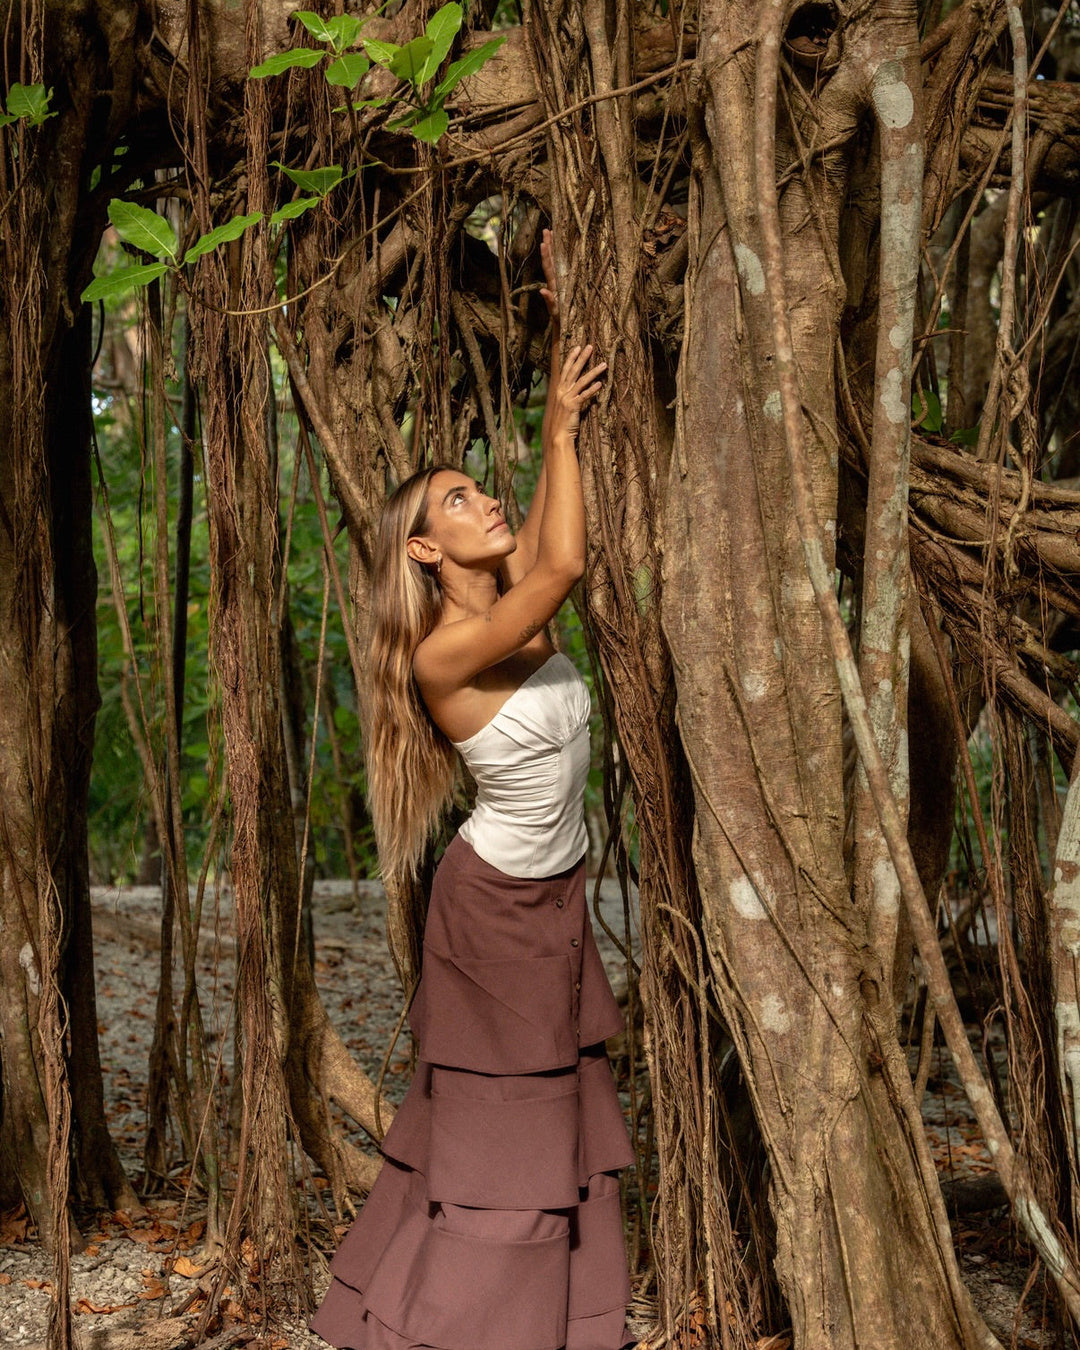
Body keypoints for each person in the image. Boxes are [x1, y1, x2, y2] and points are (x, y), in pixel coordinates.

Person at [310, 231, 635, 1350]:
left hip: (555, 901)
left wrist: (564, 332)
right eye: (458, 501)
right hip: (491, 912)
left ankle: (556, 1318)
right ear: (420, 551)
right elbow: (563, 564)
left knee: (549, 1123)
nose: (484, 500)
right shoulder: (444, 656)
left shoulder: (511, 622)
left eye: (479, 486)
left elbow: (542, 549)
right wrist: (560, 427)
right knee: (502, 1134)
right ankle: (447, 1325)